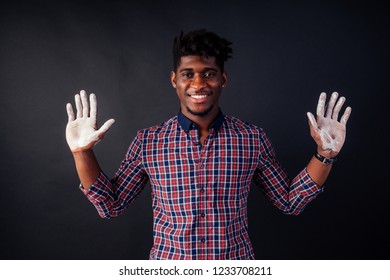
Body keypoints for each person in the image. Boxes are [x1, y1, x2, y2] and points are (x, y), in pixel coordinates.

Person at [65, 29, 351, 260]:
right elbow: (112, 205)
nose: (198, 83)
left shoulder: (252, 139)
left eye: (209, 73)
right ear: (175, 80)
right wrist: (82, 153)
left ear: (222, 79)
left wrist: (324, 154)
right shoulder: (148, 141)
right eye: (188, 74)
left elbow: (290, 202)